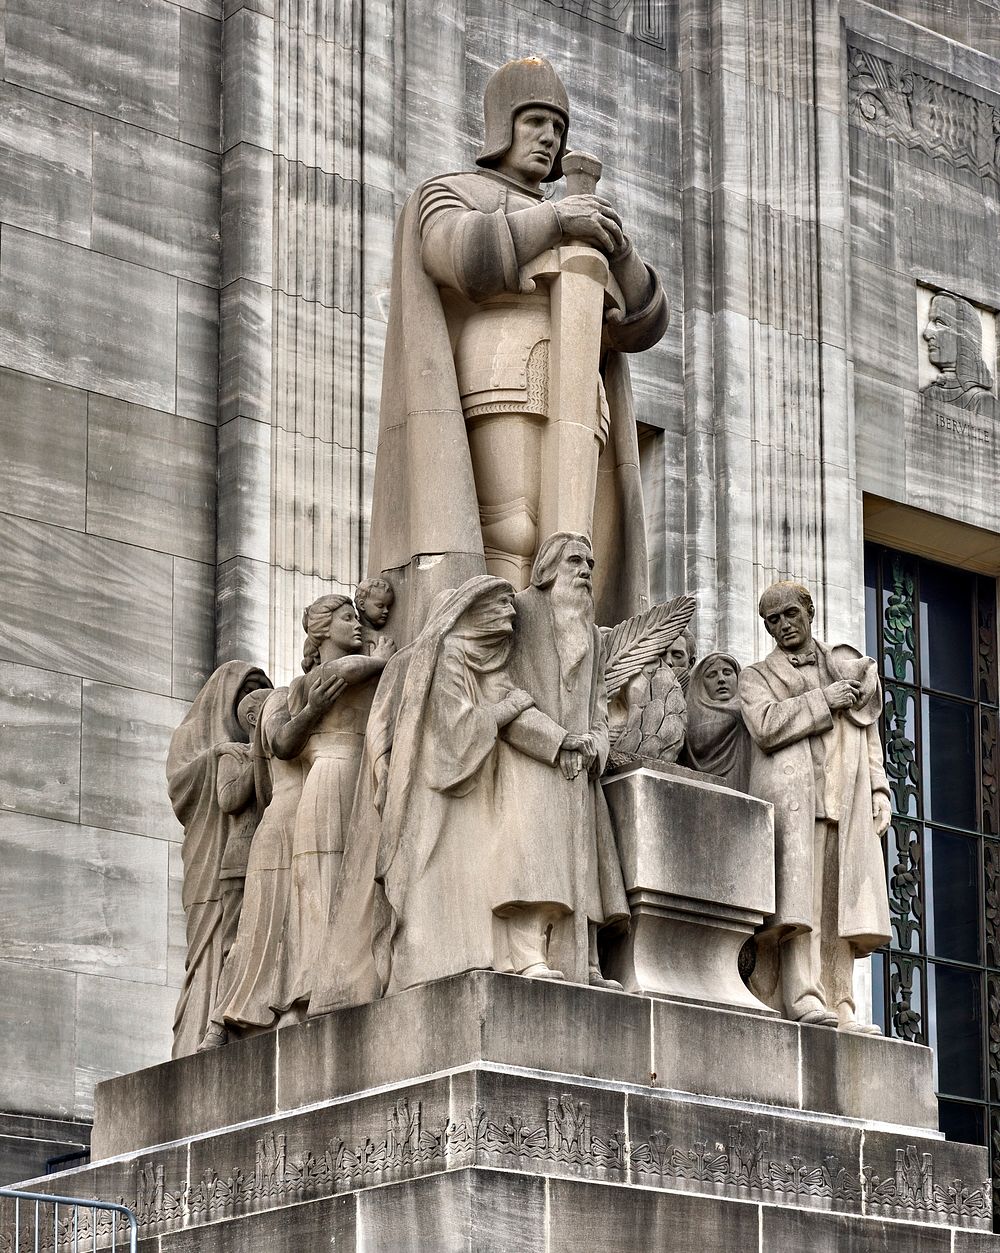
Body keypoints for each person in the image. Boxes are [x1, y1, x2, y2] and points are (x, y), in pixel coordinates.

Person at [366, 54, 668, 634]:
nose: (549, 138)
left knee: (579, 557)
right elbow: (461, 255)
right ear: (502, 124)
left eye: (558, 127)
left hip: (581, 390)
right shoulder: (455, 190)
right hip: (503, 370)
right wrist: (555, 223)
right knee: (513, 531)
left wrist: (619, 249)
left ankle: (567, 675)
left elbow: (643, 321)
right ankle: (498, 665)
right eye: (535, 122)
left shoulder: (585, 217)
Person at [739, 581, 891, 1032]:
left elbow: (868, 736)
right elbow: (765, 726)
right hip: (794, 806)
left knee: (838, 905)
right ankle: (802, 994)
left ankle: (842, 1001)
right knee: (799, 903)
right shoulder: (757, 676)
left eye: (790, 614)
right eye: (773, 620)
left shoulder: (843, 667)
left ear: (809, 611)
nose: (783, 625)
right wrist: (824, 699)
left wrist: (879, 790)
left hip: (844, 802)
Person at [503, 532, 628, 985]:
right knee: (534, 863)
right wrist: (557, 740)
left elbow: (599, 702)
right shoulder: (519, 611)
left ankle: (584, 961)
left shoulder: (591, 633)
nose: (586, 572)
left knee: (585, 866)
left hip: (581, 768)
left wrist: (596, 740)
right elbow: (503, 691)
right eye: (575, 561)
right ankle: (528, 953)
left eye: (591, 565)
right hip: (532, 757)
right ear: (547, 568)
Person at [278, 595, 394, 1017]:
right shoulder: (320, 678)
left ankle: (346, 975)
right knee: (321, 879)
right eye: (347, 618)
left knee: (354, 875)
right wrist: (385, 661)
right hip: (331, 776)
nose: (357, 624)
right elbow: (283, 743)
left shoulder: (358, 673)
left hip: (359, 776)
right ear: (323, 630)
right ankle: (311, 984)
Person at [166, 660, 272, 1058]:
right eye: (247, 690)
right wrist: (217, 756)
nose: (255, 699)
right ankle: (200, 1028)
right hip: (211, 858)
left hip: (251, 855)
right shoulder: (206, 743)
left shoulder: (256, 750)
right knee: (209, 945)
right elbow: (182, 784)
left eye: (262, 689)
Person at [202, 686, 308, 1048]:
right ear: (253, 718)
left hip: (279, 840)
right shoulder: (238, 753)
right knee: (239, 940)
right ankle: (218, 1023)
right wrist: (247, 757)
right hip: (244, 857)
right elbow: (232, 798)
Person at [921, 291, 998, 417]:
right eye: (930, 323)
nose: (927, 334)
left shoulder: (983, 401)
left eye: (939, 323)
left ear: (965, 337)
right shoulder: (928, 393)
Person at [683, 652, 750, 791]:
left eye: (727, 672)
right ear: (700, 684)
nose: (721, 679)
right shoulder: (687, 718)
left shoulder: (752, 710)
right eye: (711, 675)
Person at [355, 577, 395, 654]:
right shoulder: (354, 636)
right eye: (380, 606)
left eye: (388, 607)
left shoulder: (383, 640)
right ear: (362, 605)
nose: (386, 611)